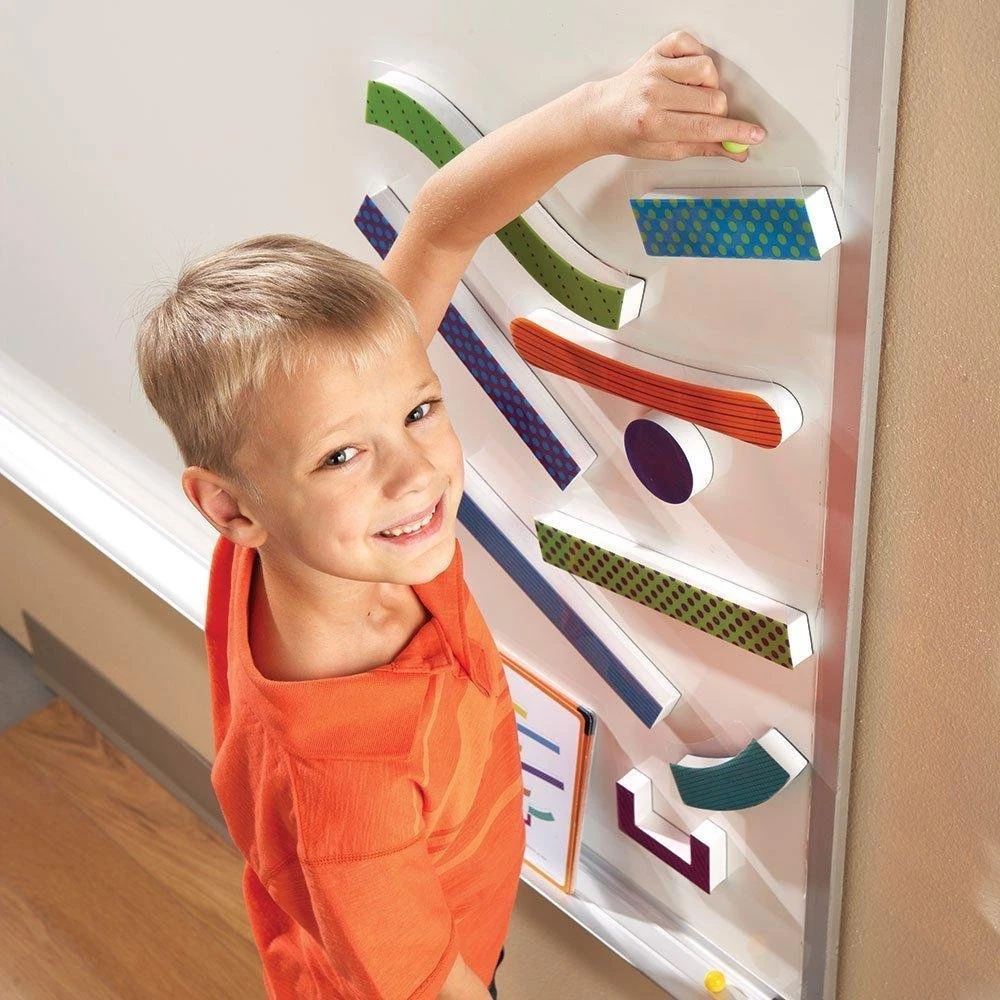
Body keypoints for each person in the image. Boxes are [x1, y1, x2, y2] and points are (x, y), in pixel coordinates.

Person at [134, 29, 763, 1000]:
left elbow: (438, 228)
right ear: (230, 508)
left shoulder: (303, 518)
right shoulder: (344, 789)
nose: (414, 472)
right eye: (342, 455)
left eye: (420, 410)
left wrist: (600, 116)